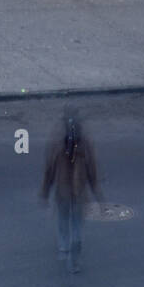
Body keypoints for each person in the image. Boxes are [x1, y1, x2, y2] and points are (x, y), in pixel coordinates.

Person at [39, 108, 104, 273]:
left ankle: (63, 247)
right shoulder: (86, 145)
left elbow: (49, 171)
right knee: (76, 227)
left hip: (63, 192)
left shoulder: (56, 144)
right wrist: (99, 196)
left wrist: (45, 193)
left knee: (63, 221)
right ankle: (73, 259)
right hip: (78, 193)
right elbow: (92, 173)